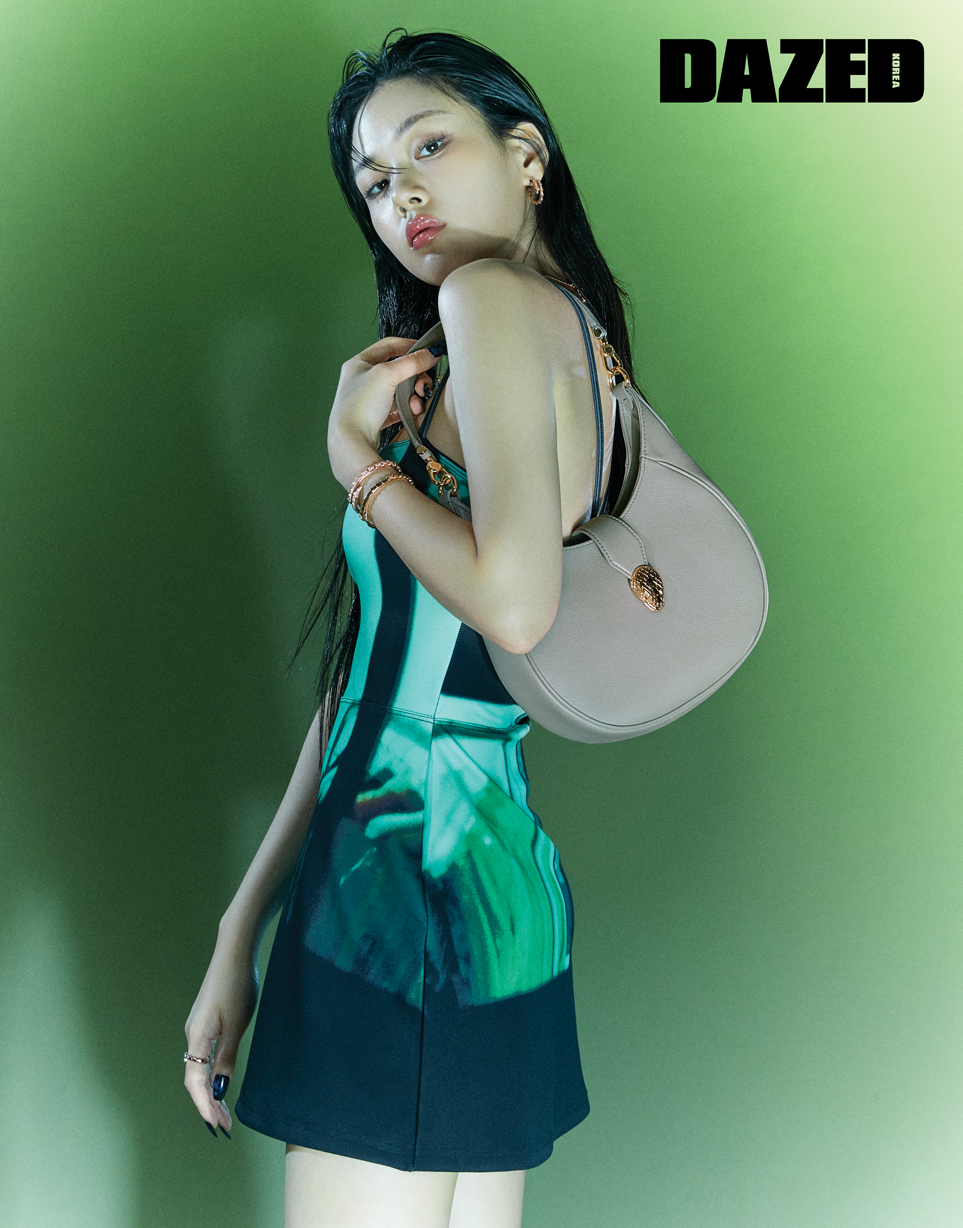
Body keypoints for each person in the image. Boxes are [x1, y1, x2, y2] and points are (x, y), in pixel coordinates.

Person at [184, 29, 637, 1228]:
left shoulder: (491, 303)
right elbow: (371, 688)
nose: (402, 196)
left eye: (430, 147)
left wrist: (356, 464)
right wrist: (241, 928)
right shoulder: (568, 337)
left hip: (402, 896)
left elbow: (515, 604)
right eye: (375, 180)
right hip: (486, 891)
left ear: (526, 155)